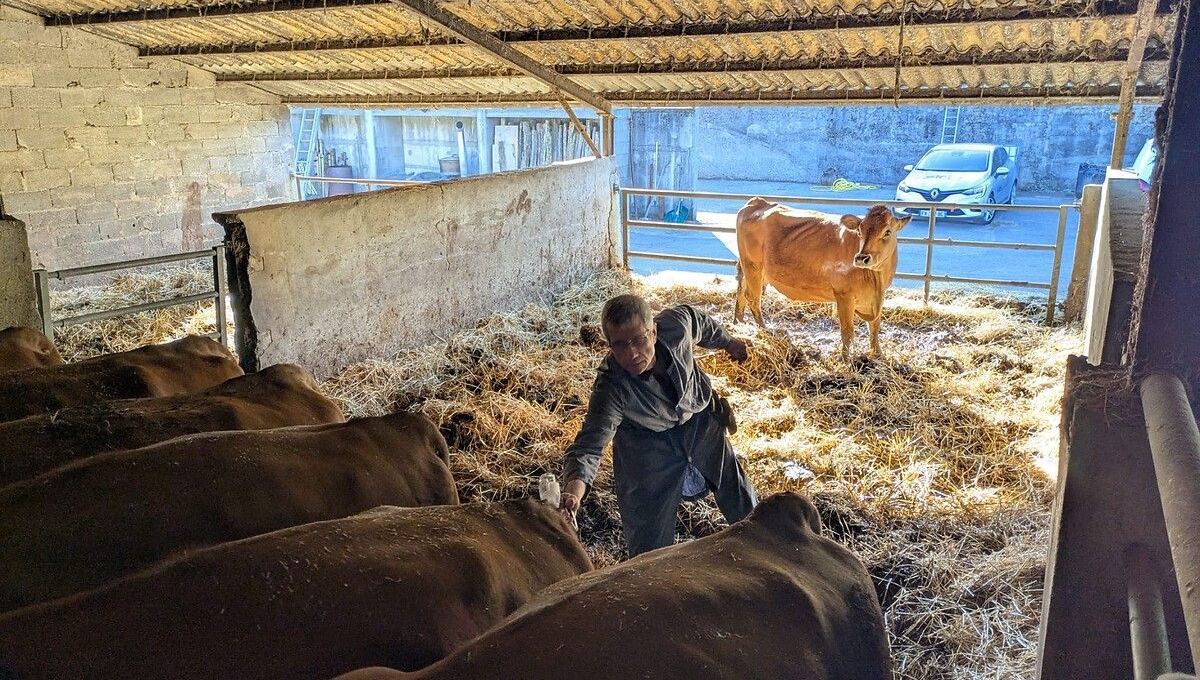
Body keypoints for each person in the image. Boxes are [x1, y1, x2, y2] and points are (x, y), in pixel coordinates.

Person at [559, 294, 758, 556]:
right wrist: (573, 494)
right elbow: (590, 446)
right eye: (620, 345)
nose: (632, 353)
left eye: (639, 340)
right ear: (609, 345)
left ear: (654, 332)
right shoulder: (611, 387)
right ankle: (649, 571)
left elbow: (701, 322)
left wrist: (728, 342)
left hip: (698, 420)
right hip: (647, 445)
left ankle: (765, 545)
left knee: (741, 496)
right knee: (649, 543)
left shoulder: (677, 327)